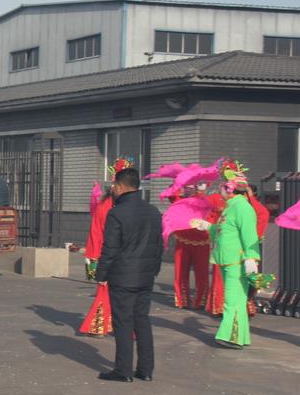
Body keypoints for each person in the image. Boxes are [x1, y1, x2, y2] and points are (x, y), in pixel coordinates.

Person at [95, 167, 163, 382]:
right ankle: (145, 369)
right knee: (142, 320)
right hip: (145, 275)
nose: (113, 190)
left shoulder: (117, 213)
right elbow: (159, 245)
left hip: (123, 275)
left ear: (120, 186)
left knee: (123, 322)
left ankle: (123, 370)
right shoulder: (153, 211)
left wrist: (101, 274)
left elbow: (110, 248)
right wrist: (154, 270)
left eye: (114, 186)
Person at [192, 162, 261, 348]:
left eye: (223, 186)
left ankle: (231, 336)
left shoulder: (242, 208)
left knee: (233, 300)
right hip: (227, 260)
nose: (220, 189)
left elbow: (249, 236)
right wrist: (208, 226)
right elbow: (225, 230)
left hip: (237, 261)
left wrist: (251, 258)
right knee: (234, 299)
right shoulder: (231, 207)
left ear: (230, 189)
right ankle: (238, 336)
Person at [78, 158, 134, 337]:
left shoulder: (110, 204)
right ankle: (99, 326)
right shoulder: (110, 207)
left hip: (108, 254)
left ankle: (116, 326)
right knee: (108, 292)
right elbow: (103, 235)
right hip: (109, 255)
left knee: (117, 293)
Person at [168, 182, 211, 309]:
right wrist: (178, 183)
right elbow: (171, 194)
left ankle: (200, 301)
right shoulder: (179, 201)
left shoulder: (203, 200)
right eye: (186, 188)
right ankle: (182, 300)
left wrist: (201, 191)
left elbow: (209, 206)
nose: (188, 190)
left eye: (191, 188)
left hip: (202, 241)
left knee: (202, 273)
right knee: (180, 272)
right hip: (183, 241)